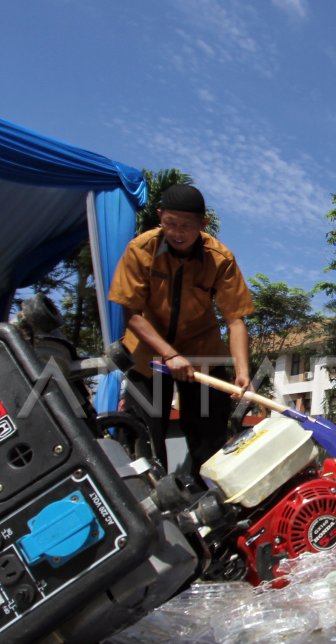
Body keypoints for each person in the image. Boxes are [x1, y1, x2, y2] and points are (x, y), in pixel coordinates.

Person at [108, 183, 254, 482]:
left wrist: (242, 373)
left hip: (202, 354)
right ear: (160, 216)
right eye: (170, 223)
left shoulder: (219, 258)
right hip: (148, 355)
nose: (177, 232)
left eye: (186, 226)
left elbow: (235, 320)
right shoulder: (141, 249)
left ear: (203, 224)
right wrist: (170, 354)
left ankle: (206, 510)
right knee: (143, 437)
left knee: (209, 439)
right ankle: (149, 502)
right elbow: (132, 314)